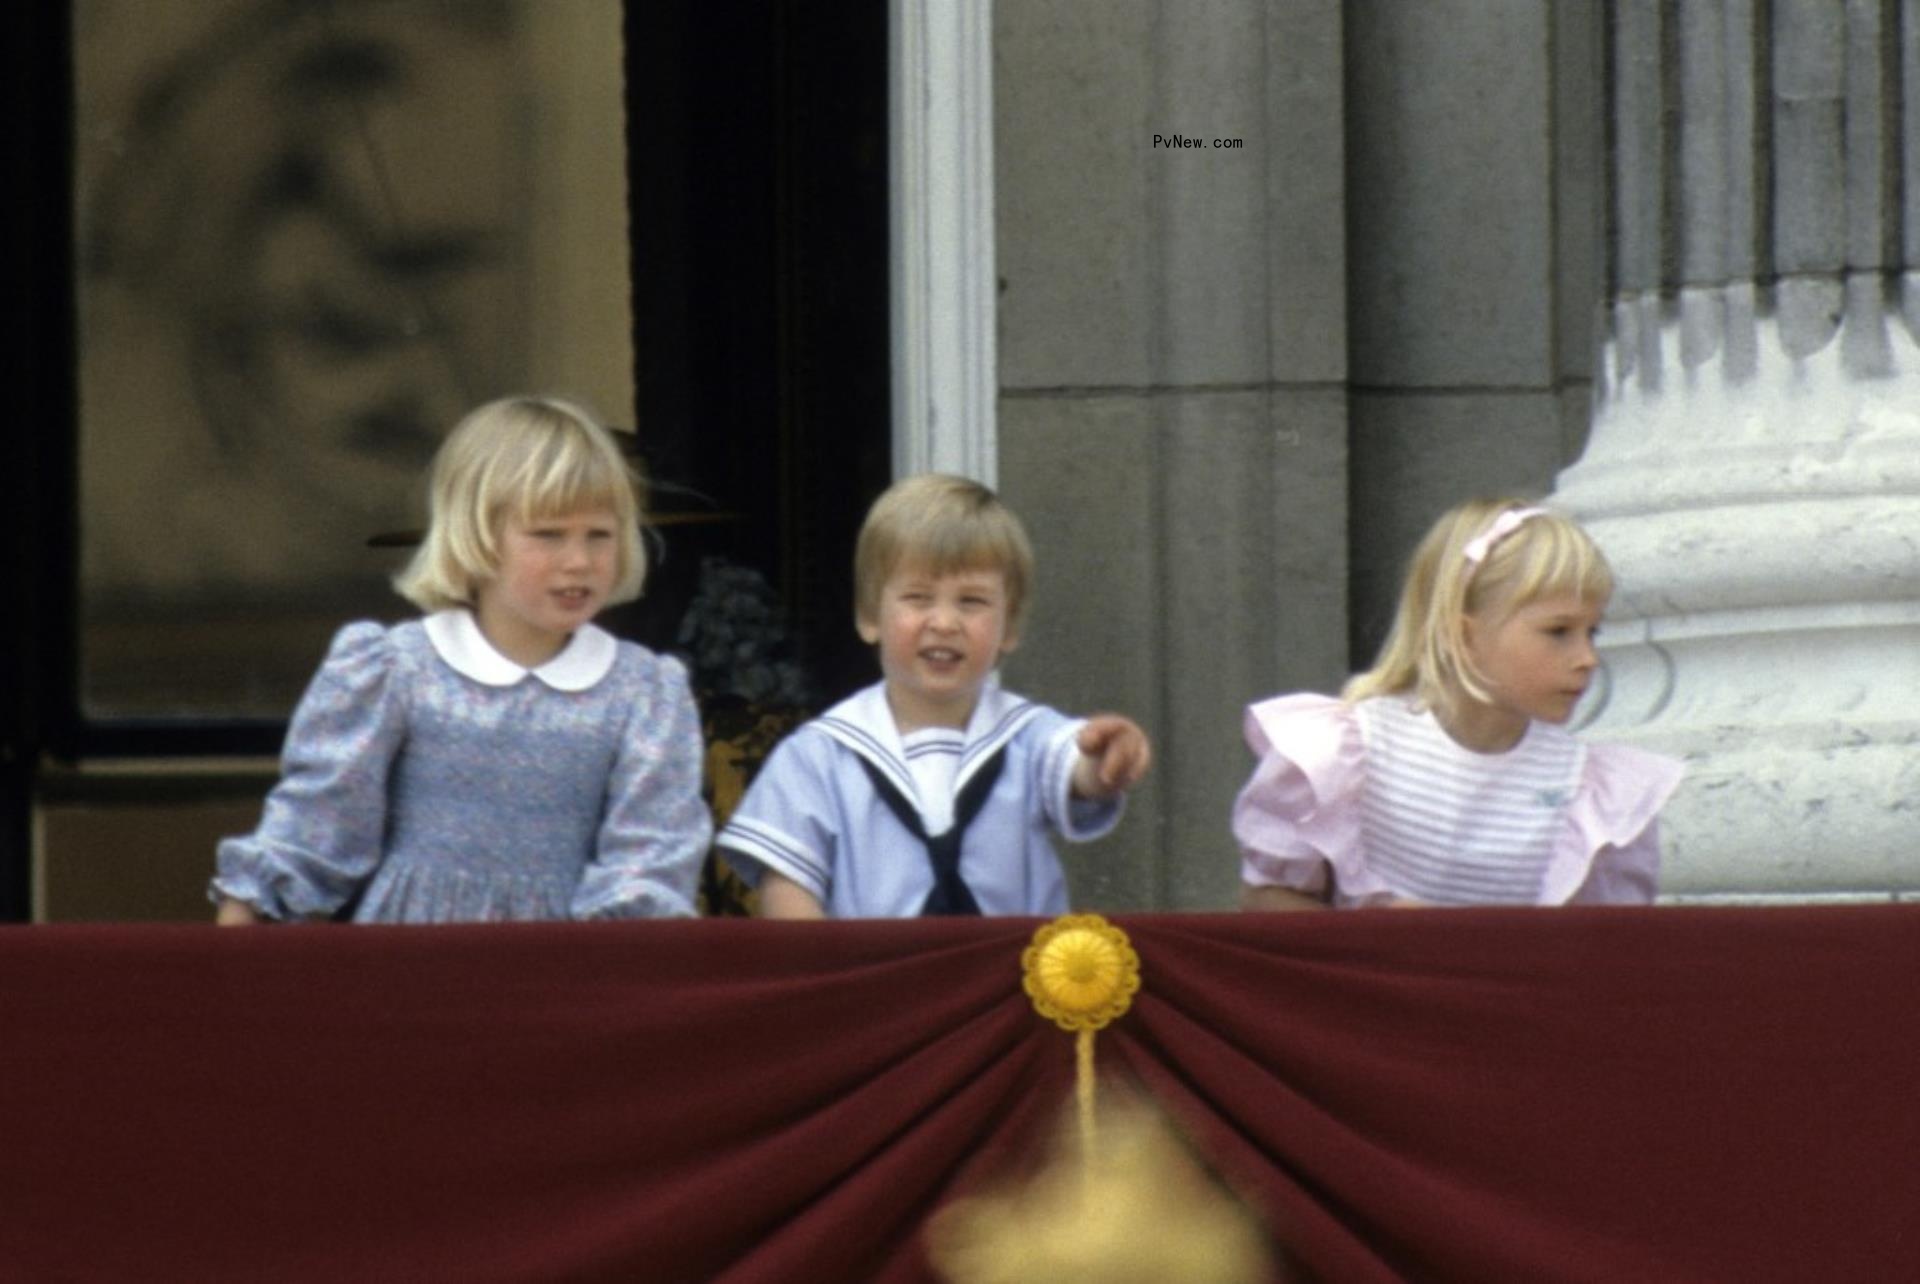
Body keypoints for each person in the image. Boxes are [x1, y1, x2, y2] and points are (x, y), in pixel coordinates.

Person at [211, 396, 711, 924]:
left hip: (565, 978)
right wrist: (246, 910)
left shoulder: (642, 692)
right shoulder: (394, 671)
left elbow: (650, 857)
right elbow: (317, 828)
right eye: (548, 535)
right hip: (408, 971)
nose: (579, 561)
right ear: (476, 535)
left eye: (600, 536)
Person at [716, 474, 1151, 918]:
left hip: (1012, 980)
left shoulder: (1027, 738)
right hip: (878, 981)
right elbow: (789, 890)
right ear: (870, 617)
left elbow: (1076, 767)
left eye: (972, 602)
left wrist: (1104, 760)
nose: (944, 622)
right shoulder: (819, 757)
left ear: (1011, 626)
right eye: (919, 598)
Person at [1234, 498, 1683, 910]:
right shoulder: (1346, 752)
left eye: (1593, 632)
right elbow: (1268, 899)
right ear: (1464, 633)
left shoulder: (1589, 792)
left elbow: (1603, 948)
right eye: (1559, 631)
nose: (1587, 659)